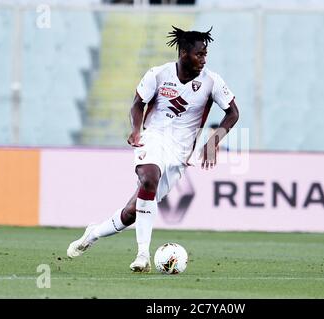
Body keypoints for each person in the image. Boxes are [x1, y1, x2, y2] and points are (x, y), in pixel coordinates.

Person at [66, 26, 240, 272]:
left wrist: (214, 141)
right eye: (199, 54)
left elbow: (233, 113)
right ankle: (142, 255)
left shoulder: (212, 81)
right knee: (149, 178)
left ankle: (93, 234)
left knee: (131, 212)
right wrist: (136, 129)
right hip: (153, 137)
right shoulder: (158, 75)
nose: (203, 59)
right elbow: (138, 103)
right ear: (183, 53)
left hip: (180, 153)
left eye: (205, 54)